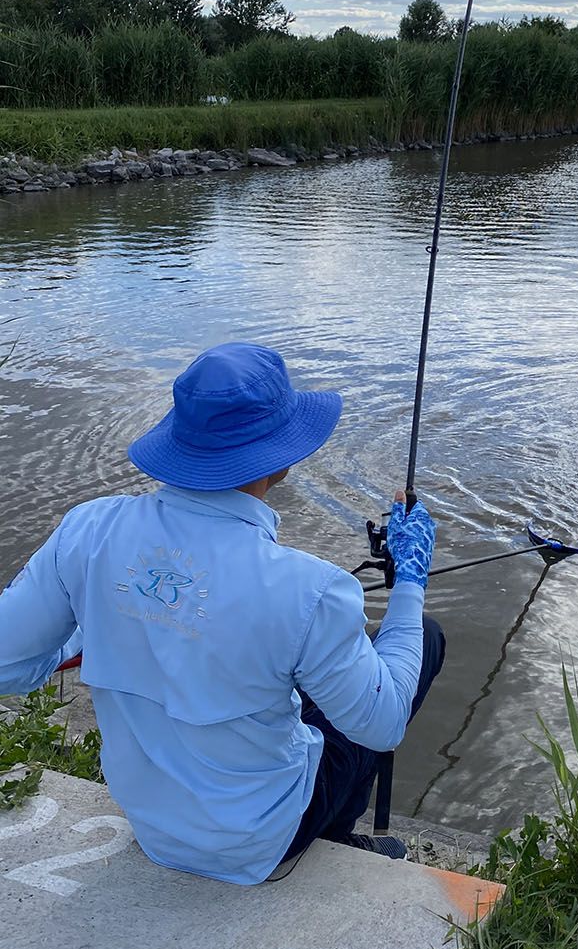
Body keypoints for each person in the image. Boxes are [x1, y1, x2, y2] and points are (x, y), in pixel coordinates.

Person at [0, 342, 443, 885]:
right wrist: (411, 582)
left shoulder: (87, 531)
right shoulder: (310, 588)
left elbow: (9, 665)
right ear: (281, 459)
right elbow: (383, 724)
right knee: (421, 635)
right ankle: (329, 835)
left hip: (153, 824)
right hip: (258, 839)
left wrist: (106, 624)